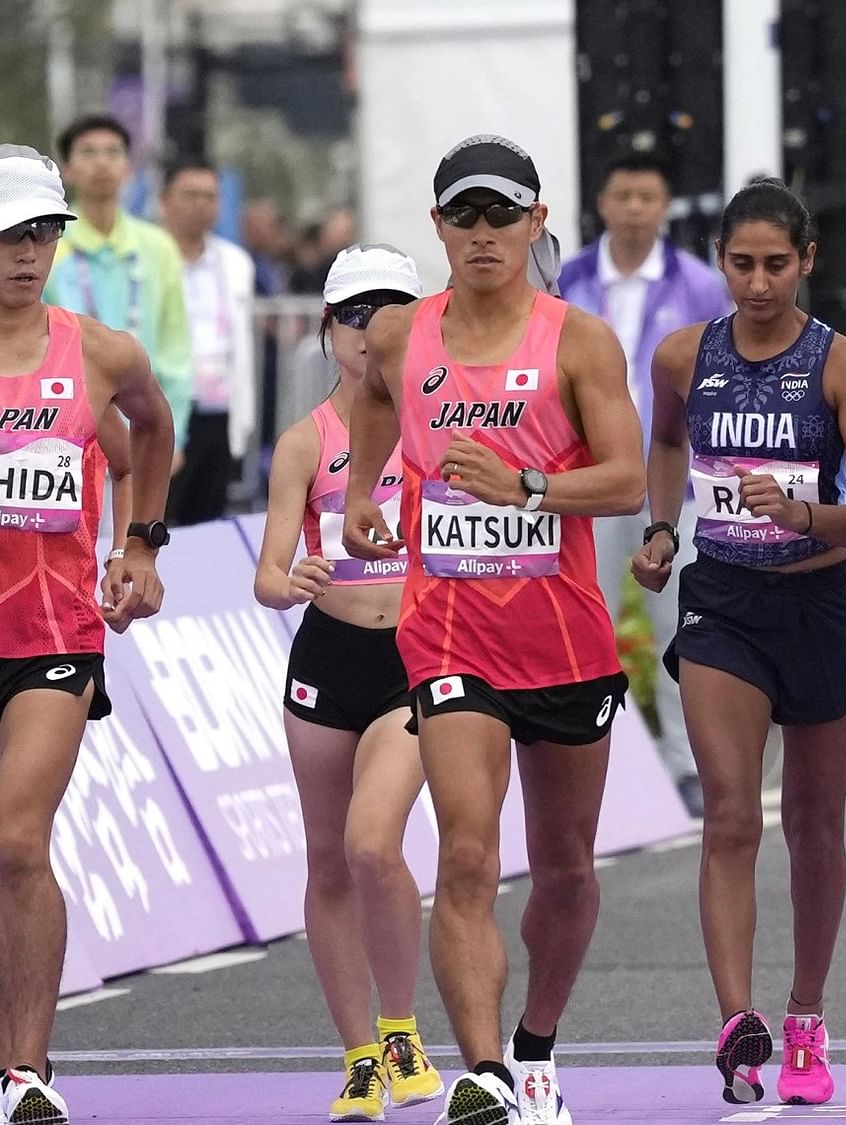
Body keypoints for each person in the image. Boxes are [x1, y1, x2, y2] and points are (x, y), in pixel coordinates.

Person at [342, 134, 645, 1125]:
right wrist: (356, 493)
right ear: (437, 228)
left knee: (563, 869)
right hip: (448, 634)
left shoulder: (578, 339)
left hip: (561, 637)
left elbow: (629, 479)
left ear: (535, 222)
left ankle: (533, 1050)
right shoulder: (402, 336)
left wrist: (527, 484)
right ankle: (480, 1071)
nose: (482, 235)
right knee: (466, 856)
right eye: (463, 217)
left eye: (501, 216)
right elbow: (379, 407)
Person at [631, 177, 846, 1108]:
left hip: (822, 603)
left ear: (807, 261)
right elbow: (665, 446)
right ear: (719, 262)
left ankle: (806, 1018)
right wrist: (664, 527)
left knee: (814, 828)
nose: (756, 283)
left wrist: (801, 512)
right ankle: (737, 1024)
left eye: (775, 264)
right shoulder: (680, 356)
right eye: (741, 264)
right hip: (724, 608)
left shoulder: (842, 366)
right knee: (733, 815)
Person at [0, 143, 173, 1125]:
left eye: (41, 234)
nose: (27, 254)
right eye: (9, 236)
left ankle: (28, 1074)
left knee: (18, 837)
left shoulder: (99, 353)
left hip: (53, 632)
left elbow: (148, 431)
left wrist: (138, 546)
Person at [251, 244, 442, 1122]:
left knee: (374, 843)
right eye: (356, 316)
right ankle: (359, 1054)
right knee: (328, 859)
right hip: (327, 660)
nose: (374, 333)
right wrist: (291, 582)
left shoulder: (438, 423)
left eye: (392, 311)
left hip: (414, 659)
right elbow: (267, 572)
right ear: (329, 330)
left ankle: (402, 1027)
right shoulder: (305, 442)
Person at [557, 151, 730, 817]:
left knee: (678, 629)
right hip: (588, 484)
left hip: (673, 490)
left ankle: (686, 770)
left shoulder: (697, 285)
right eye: (623, 194)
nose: (634, 207)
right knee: (583, 623)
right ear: (603, 201)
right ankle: (592, 766)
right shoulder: (565, 279)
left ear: (664, 207)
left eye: (647, 196)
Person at [46, 115, 193, 461]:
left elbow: (176, 349)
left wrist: (175, 434)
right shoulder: (48, 245)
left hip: (145, 426)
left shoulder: (158, 247)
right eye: (89, 153)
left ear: (128, 167)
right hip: (64, 431)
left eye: (113, 153)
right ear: (67, 169)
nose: (101, 163)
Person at [160, 158, 257, 525]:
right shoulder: (146, 257)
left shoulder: (235, 263)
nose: (201, 204)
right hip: (163, 407)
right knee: (159, 518)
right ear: (164, 200)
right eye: (190, 194)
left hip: (218, 408)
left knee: (208, 518)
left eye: (210, 196)